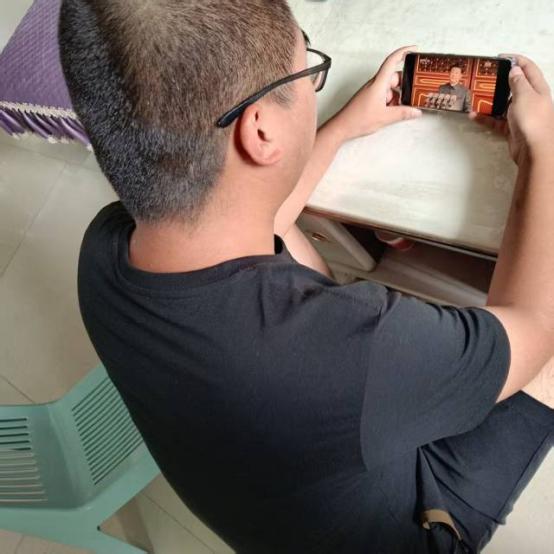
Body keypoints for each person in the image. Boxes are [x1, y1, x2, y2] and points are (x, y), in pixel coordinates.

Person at [59, 1, 554, 552]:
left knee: (286, 237)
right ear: (260, 129)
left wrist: (341, 129)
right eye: (309, 71)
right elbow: (533, 325)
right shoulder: (346, 351)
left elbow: (261, 219)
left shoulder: (102, 247)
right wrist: (542, 152)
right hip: (425, 512)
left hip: (281, 499)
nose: (314, 87)